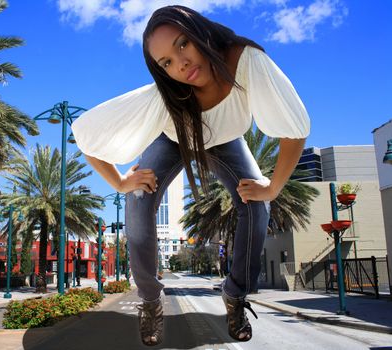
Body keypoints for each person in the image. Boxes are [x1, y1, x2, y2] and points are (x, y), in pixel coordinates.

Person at [71, 5, 309, 345]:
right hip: (173, 139)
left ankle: (235, 295)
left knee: (258, 207)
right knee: (136, 198)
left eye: (183, 44)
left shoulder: (245, 60)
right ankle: (151, 301)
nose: (180, 64)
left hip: (227, 141)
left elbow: (294, 129)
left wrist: (272, 188)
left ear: (200, 31)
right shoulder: (163, 96)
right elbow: (88, 137)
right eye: (166, 62)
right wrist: (121, 182)